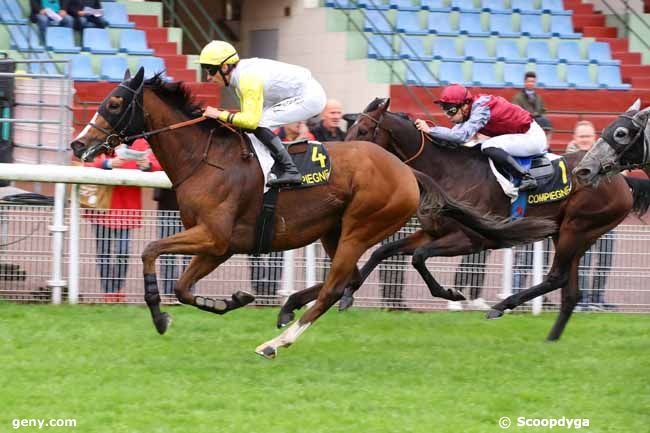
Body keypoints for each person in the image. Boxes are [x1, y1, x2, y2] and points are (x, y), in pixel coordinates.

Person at [198, 40, 327, 187]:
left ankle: (291, 171)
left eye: (210, 70)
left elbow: (251, 121)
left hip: (309, 96)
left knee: (260, 122)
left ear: (225, 67)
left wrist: (219, 114)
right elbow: (247, 123)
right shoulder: (240, 77)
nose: (208, 77)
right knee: (254, 127)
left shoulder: (247, 79)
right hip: (295, 94)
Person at [414, 84, 548, 192]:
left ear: (465, 105)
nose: (448, 115)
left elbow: (460, 137)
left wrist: (430, 130)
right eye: (445, 110)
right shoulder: (471, 110)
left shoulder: (481, 109)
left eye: (451, 110)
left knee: (487, 146)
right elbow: (453, 137)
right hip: (520, 135)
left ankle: (526, 177)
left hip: (531, 137)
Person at [247, 121, 315, 304]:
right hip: (265, 196)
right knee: (256, 242)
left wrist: (304, 141)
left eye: (303, 121)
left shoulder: (308, 139)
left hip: (289, 202)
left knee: (278, 246)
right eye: (298, 120)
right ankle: (259, 289)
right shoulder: (272, 136)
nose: (300, 123)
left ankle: (271, 290)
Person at [84, 138, 156, 302]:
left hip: (126, 208)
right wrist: (108, 164)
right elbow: (86, 162)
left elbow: (156, 164)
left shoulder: (141, 143)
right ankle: (109, 291)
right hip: (103, 208)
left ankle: (117, 288)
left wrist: (146, 165)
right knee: (104, 253)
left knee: (124, 252)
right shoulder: (103, 140)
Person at [564, 120, 616, 309]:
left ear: (595, 137)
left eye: (588, 136)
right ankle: (582, 299)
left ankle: (597, 299)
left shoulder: (608, 156)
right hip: (583, 221)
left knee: (605, 259)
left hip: (607, 218)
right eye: (582, 136)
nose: (585, 140)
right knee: (582, 262)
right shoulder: (568, 161)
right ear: (575, 138)